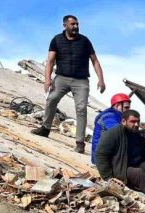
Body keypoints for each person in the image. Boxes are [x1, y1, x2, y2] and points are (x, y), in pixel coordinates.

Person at [32, 15, 106, 154]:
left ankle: (80, 143)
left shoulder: (85, 41)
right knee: (52, 99)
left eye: (77, 24)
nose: (76, 27)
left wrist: (101, 79)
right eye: (72, 24)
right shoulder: (56, 40)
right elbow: (50, 61)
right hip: (62, 78)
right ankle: (45, 128)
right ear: (65, 25)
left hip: (81, 80)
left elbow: (95, 61)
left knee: (81, 109)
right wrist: (47, 79)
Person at [91, 93, 130, 164]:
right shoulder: (109, 117)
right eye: (126, 108)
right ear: (117, 105)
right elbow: (120, 132)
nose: (128, 110)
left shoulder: (117, 116)